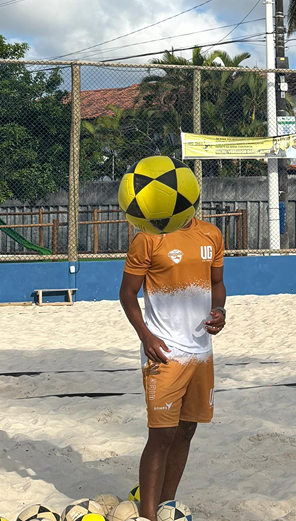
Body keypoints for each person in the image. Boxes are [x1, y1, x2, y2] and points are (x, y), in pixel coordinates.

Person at [119, 211, 227, 521]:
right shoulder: (148, 237)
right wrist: (145, 335)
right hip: (163, 351)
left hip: (201, 351)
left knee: (186, 430)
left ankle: (166, 505)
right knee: (162, 435)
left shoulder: (211, 233)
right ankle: (148, 515)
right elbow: (127, 293)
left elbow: (217, 283)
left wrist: (220, 309)